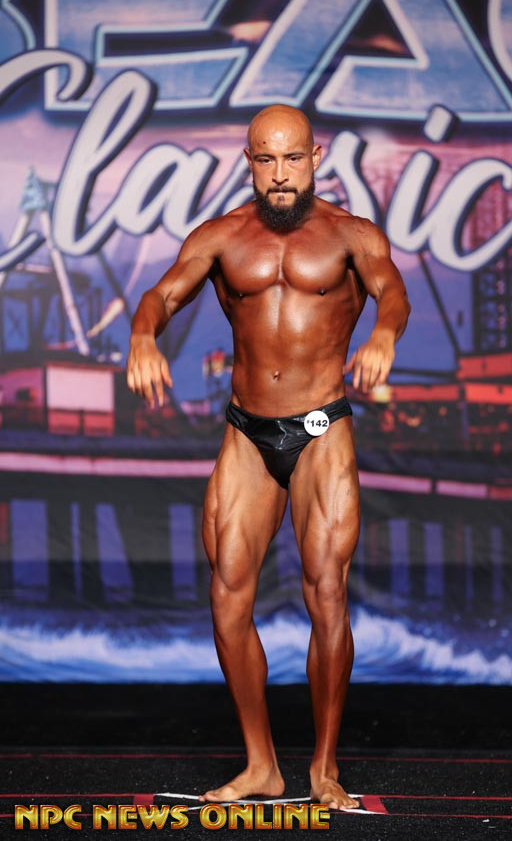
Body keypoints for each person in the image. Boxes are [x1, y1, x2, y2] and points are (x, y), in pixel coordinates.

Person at [127, 105, 410, 809]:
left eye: (291, 158)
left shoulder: (352, 235)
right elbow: (162, 293)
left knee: (326, 592)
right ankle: (262, 766)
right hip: (247, 434)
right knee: (227, 595)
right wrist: (142, 336)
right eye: (265, 159)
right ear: (249, 161)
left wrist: (384, 335)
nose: (280, 174)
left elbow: (391, 290)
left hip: (321, 429)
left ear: (316, 157)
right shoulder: (220, 236)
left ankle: (323, 767)